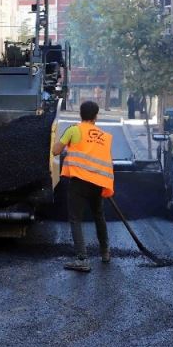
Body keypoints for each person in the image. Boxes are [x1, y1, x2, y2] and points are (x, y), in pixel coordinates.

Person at [52, 101, 114, 273]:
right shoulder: (104, 136)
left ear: (80, 114)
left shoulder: (74, 130)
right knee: (99, 216)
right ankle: (105, 253)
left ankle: (82, 259)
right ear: (96, 116)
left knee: (75, 218)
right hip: (97, 183)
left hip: (79, 182)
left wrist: (64, 144)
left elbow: (55, 151)